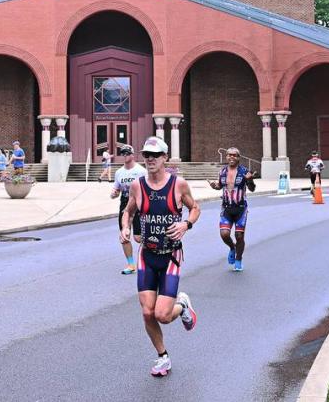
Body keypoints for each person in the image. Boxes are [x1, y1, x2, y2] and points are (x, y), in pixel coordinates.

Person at [120, 136, 201, 377]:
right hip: (147, 255)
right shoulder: (138, 185)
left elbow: (195, 208)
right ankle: (162, 357)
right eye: (146, 155)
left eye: (155, 155)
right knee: (147, 312)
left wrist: (186, 224)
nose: (150, 159)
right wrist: (125, 227)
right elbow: (128, 212)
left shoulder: (178, 185)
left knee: (162, 316)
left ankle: (183, 305)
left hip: (170, 257)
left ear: (165, 157)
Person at [209, 147, 256, 272]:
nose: (231, 157)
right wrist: (215, 186)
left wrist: (250, 181)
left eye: (234, 155)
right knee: (224, 234)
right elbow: (220, 186)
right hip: (226, 209)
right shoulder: (222, 172)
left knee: (239, 235)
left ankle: (238, 259)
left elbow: (252, 189)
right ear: (226, 157)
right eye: (229, 155)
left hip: (241, 209)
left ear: (239, 158)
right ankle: (232, 247)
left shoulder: (244, 171)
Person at [110, 144, 147, 274]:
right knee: (124, 235)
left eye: (127, 153)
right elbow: (116, 189)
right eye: (123, 153)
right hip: (125, 202)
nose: (125, 155)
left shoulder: (141, 171)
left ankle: (149, 259)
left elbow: (148, 187)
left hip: (139, 203)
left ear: (132, 155)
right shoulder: (119, 172)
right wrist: (114, 193)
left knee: (138, 237)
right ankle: (131, 265)